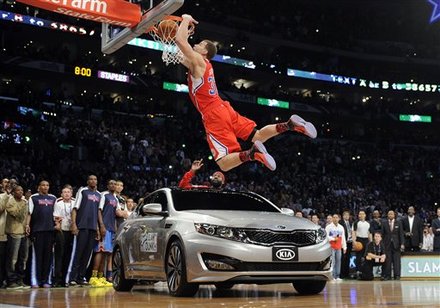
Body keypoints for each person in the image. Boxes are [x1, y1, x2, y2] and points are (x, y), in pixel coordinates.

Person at [175, 14, 317, 172]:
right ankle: (290, 125)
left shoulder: (199, 61)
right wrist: (170, 32)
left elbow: (180, 42)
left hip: (213, 113)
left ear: (205, 52)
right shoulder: (201, 64)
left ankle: (252, 154)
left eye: (200, 44)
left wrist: (186, 19)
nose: (196, 45)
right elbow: (179, 53)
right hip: (223, 108)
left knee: (223, 163)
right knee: (258, 136)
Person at [66, 175, 102, 286]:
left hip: (92, 227)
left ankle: (81, 277)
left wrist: (97, 229)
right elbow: (75, 209)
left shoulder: (99, 195)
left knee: (87, 254)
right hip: (81, 226)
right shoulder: (83, 191)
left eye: (95, 179)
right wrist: (74, 225)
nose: (93, 181)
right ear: (87, 181)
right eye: (91, 179)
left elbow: (97, 213)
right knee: (78, 253)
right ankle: (71, 278)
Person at [89, 180, 123, 287]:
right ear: (108, 186)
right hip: (104, 227)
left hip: (111, 228)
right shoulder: (104, 195)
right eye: (111, 184)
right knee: (99, 251)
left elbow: (117, 213)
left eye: (115, 184)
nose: (113, 185)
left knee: (106, 253)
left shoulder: (115, 199)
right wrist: (101, 226)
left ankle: (101, 277)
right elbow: (99, 211)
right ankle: (93, 277)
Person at [27, 180, 57, 288]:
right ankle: (35, 280)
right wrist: (27, 225)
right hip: (37, 230)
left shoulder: (53, 198)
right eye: (43, 185)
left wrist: (57, 225)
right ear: (39, 187)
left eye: (47, 185)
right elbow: (29, 213)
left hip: (50, 231)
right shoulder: (33, 198)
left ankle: (46, 280)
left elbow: (56, 214)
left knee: (48, 257)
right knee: (37, 256)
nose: (45, 187)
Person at [5, 185, 29, 289]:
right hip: (14, 233)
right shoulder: (10, 202)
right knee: (12, 259)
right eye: (18, 190)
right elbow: (18, 215)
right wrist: (25, 202)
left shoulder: (24, 202)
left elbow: (27, 215)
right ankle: (11, 281)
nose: (20, 192)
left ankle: (20, 280)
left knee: (23, 258)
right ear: (14, 192)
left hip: (23, 233)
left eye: (21, 190)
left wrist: (27, 225)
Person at [53, 185, 75, 287]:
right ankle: (57, 279)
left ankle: (65, 279)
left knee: (68, 256)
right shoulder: (58, 204)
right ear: (61, 194)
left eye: (68, 192)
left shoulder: (74, 203)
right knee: (59, 255)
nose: (66, 193)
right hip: (61, 231)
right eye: (64, 192)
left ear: (71, 194)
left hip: (71, 232)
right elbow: (56, 218)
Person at [381, 210, 404, 280]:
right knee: (388, 261)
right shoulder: (384, 223)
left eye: (391, 214)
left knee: (396, 261)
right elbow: (382, 234)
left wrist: (402, 243)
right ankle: (387, 275)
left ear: (394, 215)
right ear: (387, 215)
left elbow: (401, 234)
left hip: (396, 244)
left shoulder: (399, 223)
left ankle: (397, 275)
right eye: (389, 214)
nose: (390, 215)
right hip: (387, 244)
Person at [325, 214, 347, 281]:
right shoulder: (328, 227)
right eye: (334, 217)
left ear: (339, 219)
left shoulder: (341, 227)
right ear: (332, 219)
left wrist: (344, 247)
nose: (335, 219)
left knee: (338, 261)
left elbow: (343, 237)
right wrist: (333, 239)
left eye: (336, 217)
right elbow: (326, 236)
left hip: (338, 247)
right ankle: (332, 276)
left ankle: (337, 276)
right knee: (333, 262)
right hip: (331, 247)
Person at [352, 210, 371, 276]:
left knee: (366, 256)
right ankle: (358, 271)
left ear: (365, 215)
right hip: (359, 240)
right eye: (360, 214)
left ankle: (365, 271)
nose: (361, 215)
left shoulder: (368, 223)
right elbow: (354, 232)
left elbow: (369, 233)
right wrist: (354, 241)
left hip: (366, 240)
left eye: (362, 214)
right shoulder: (356, 223)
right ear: (358, 215)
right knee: (358, 257)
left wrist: (370, 242)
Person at [340, 210, 353, 279]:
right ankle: (341, 274)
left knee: (348, 258)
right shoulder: (340, 223)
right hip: (343, 243)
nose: (347, 216)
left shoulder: (351, 223)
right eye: (345, 215)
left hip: (350, 242)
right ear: (343, 216)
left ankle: (347, 274)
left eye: (348, 215)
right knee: (342, 259)